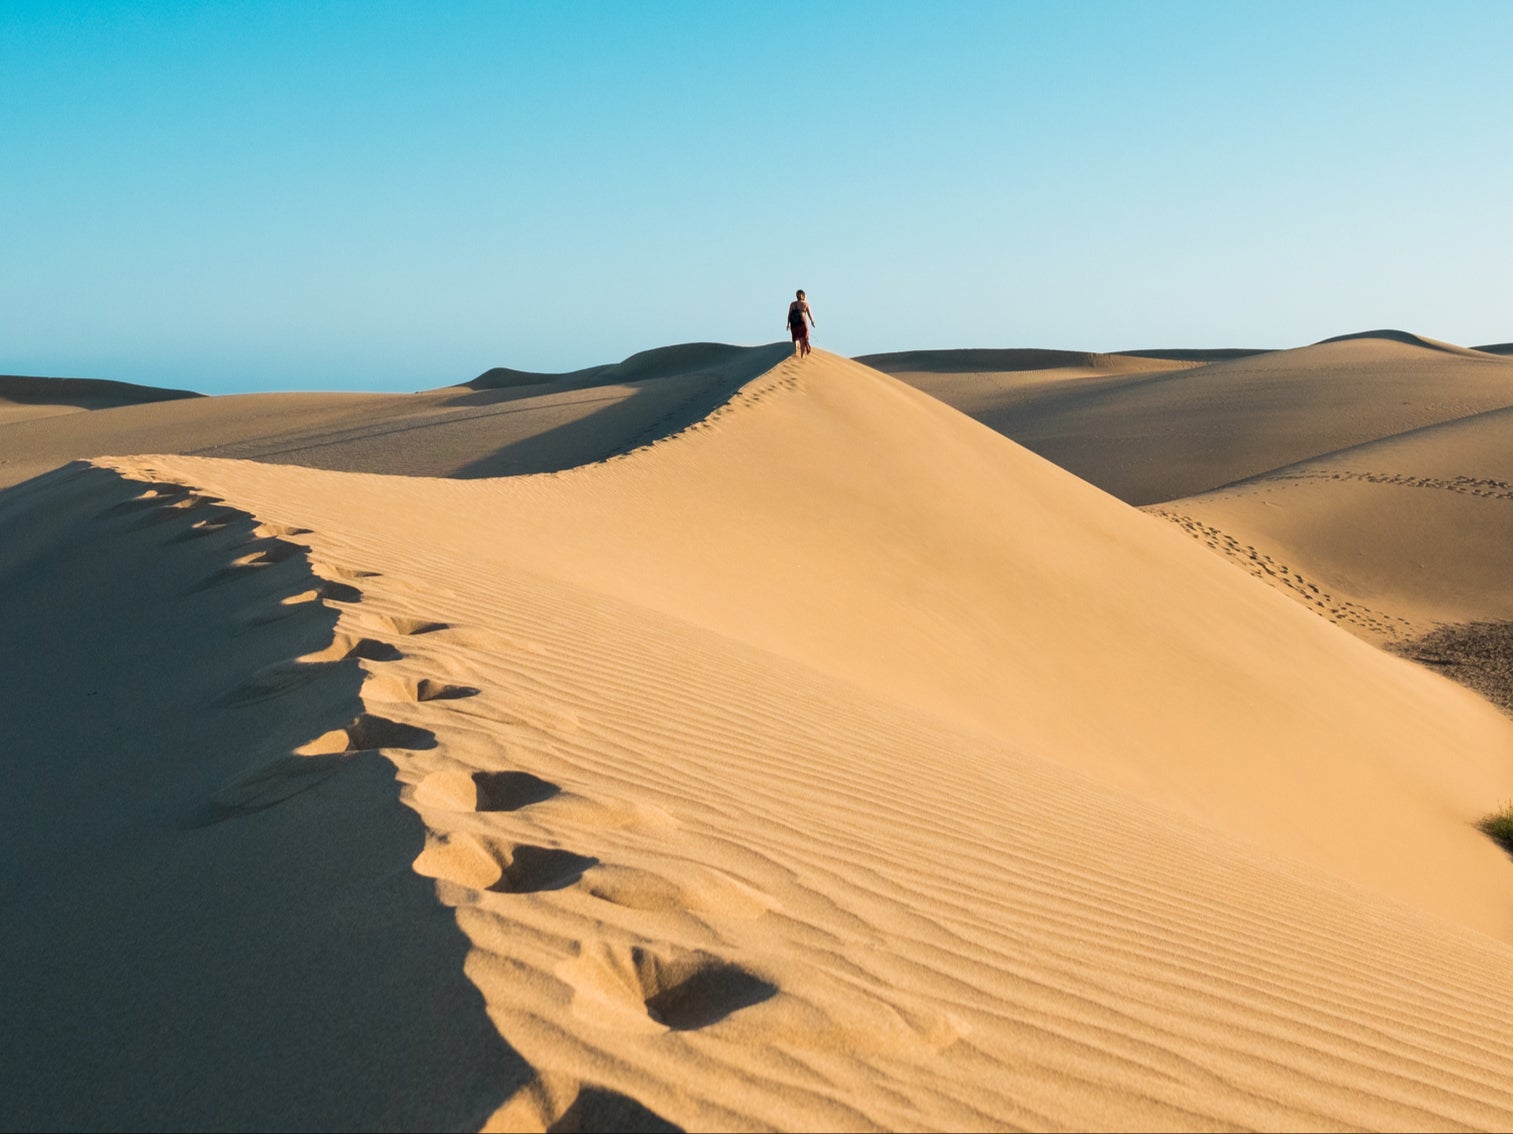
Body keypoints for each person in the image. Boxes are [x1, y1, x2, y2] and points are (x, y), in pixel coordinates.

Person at [787, 289, 815, 357]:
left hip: (793, 323)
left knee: (795, 338)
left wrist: (788, 323)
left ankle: (795, 353)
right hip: (802, 322)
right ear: (803, 296)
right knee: (803, 338)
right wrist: (812, 321)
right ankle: (802, 356)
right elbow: (809, 315)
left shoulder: (792, 304)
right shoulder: (805, 304)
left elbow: (789, 314)